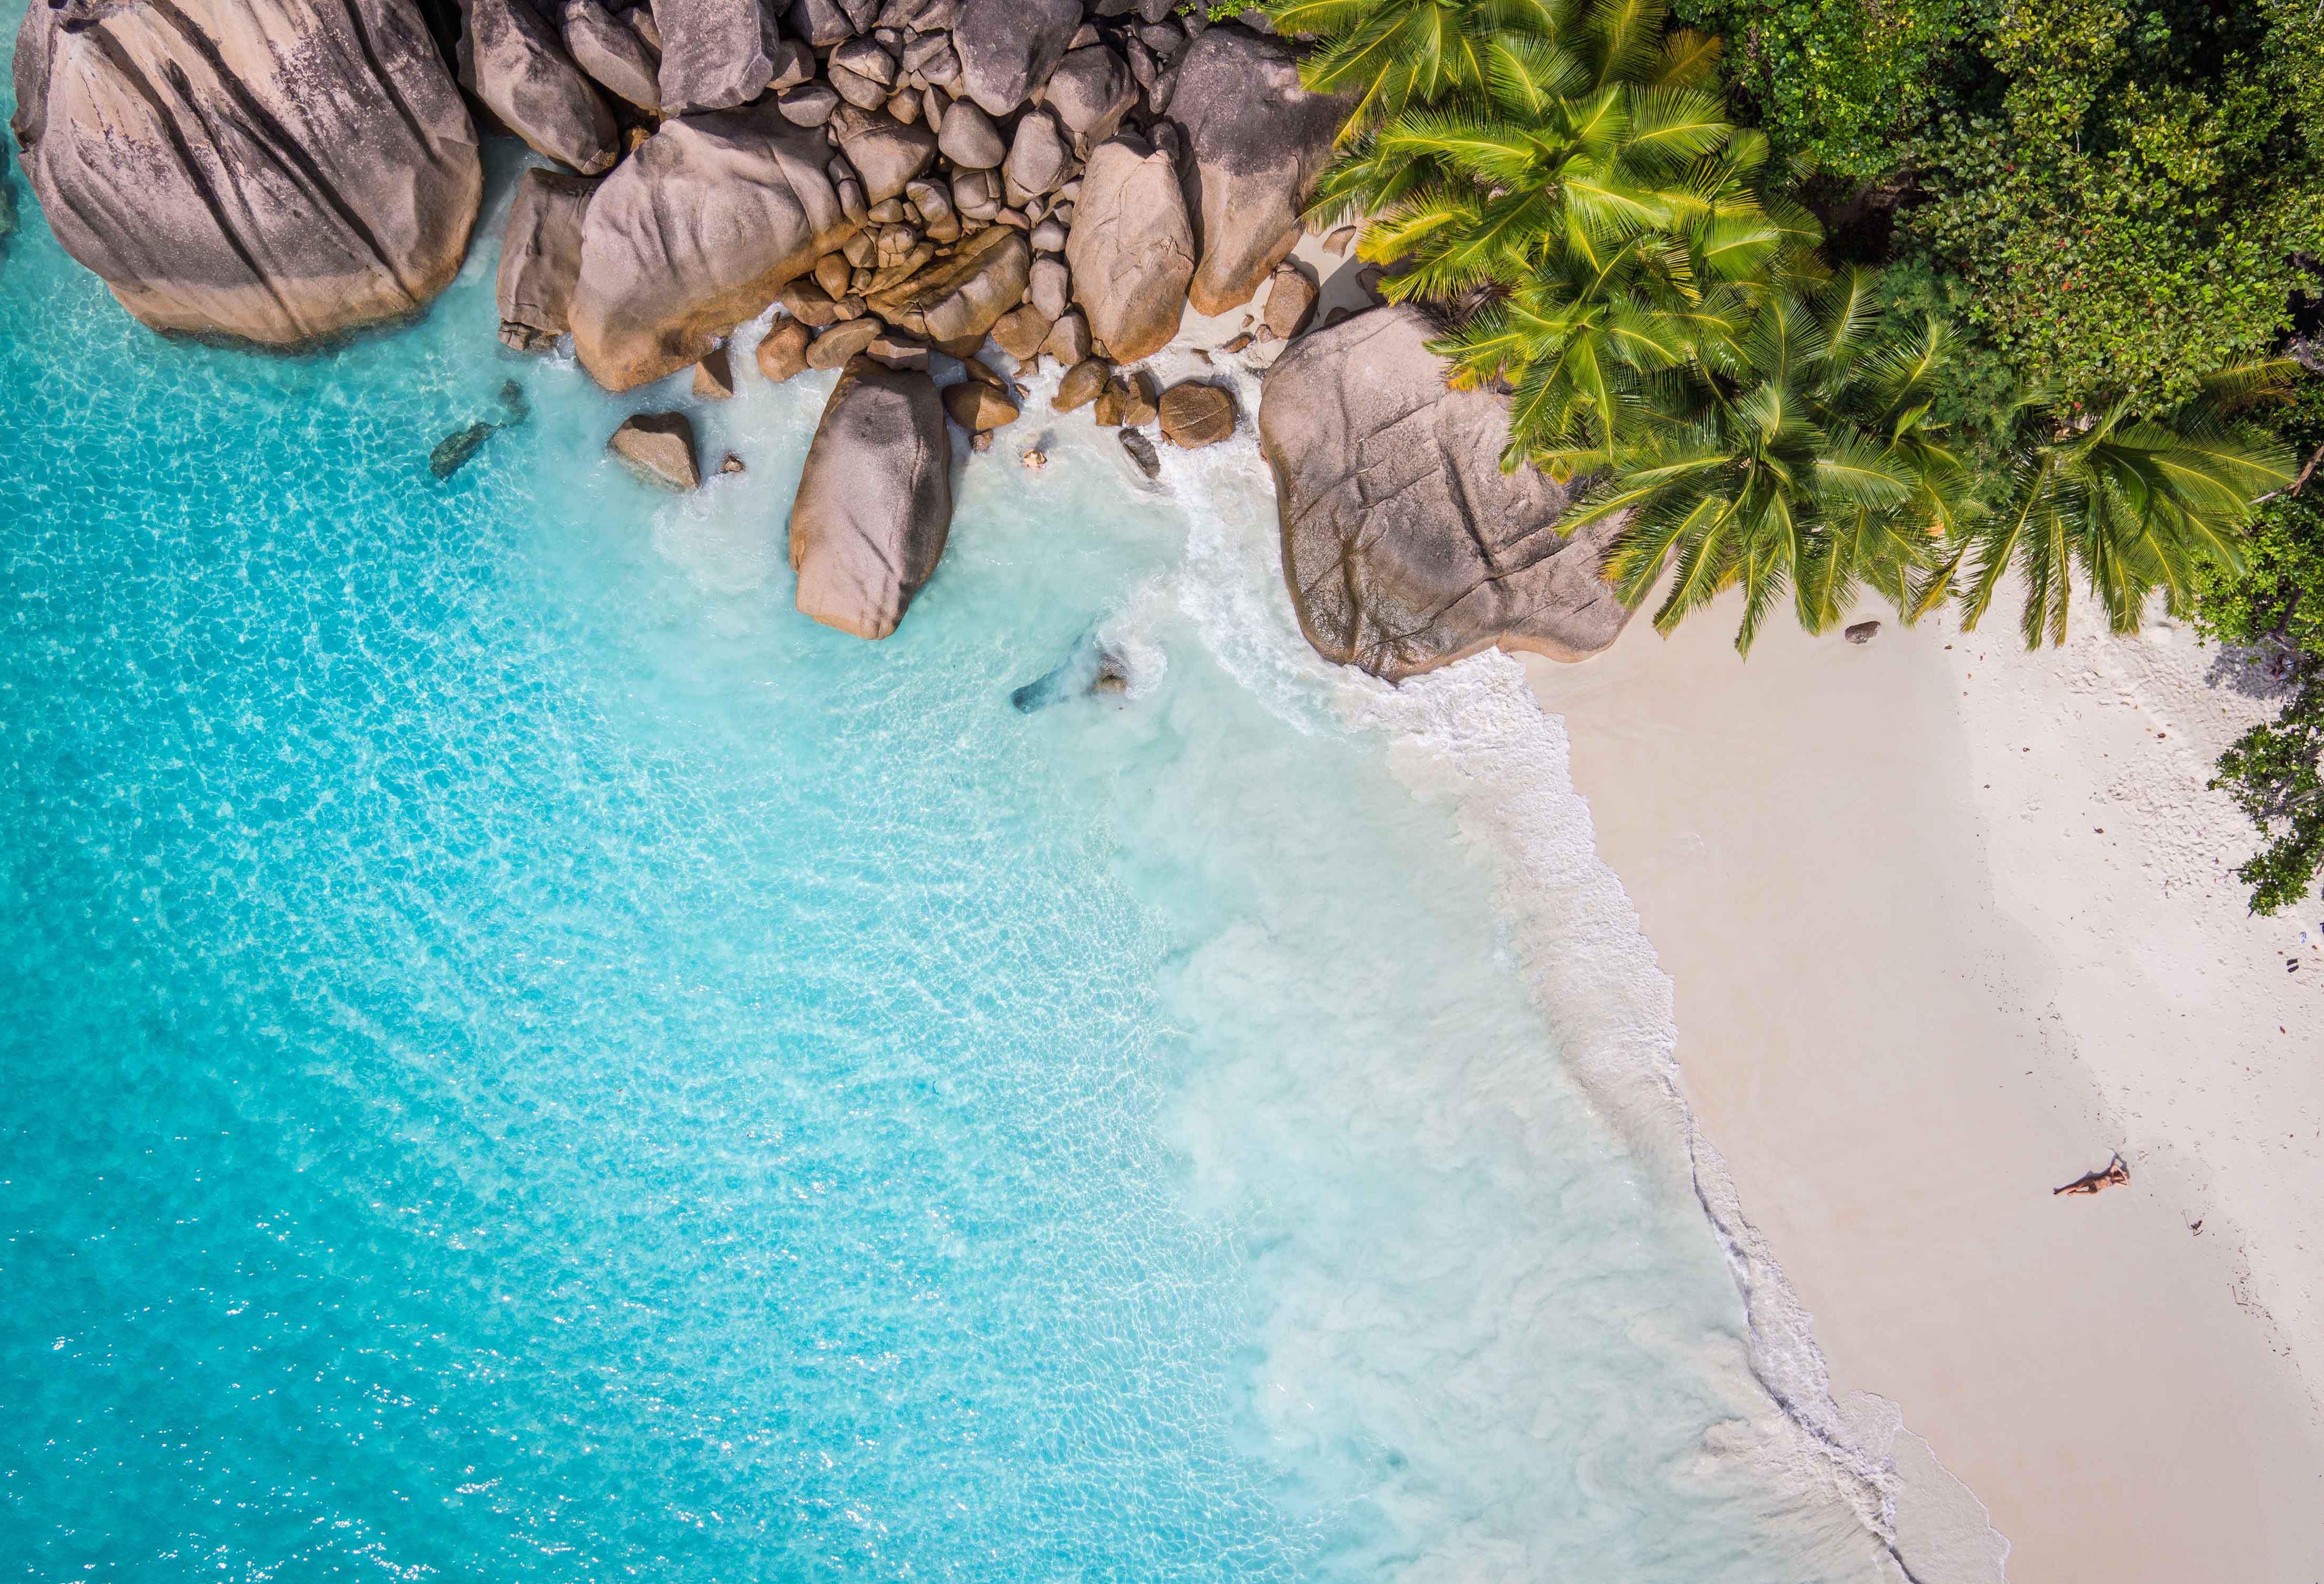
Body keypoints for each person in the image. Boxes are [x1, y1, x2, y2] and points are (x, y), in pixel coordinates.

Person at [2055, 1154, 2130, 1195]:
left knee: (2088, 1193)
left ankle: (2075, 1193)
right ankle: (2060, 1191)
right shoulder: (2111, 1174)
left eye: (2122, 1178)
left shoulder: (2115, 1183)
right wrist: (2122, 1172)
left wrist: (2126, 1178)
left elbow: (2128, 1186)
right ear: (2119, 1174)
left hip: (2096, 1189)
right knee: (2076, 1186)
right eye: (2121, 1176)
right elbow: (2114, 1166)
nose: (2121, 1178)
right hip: (2092, 1182)